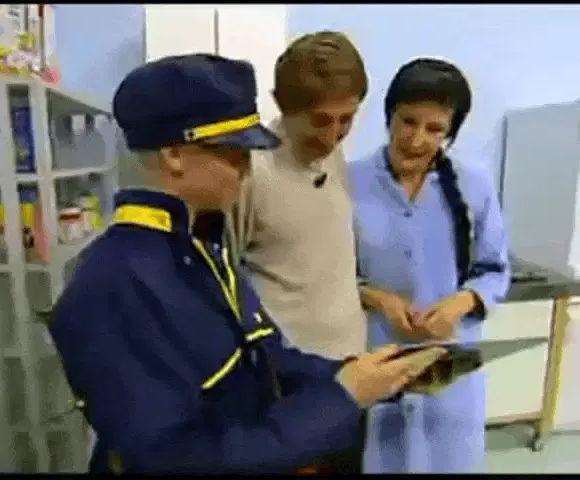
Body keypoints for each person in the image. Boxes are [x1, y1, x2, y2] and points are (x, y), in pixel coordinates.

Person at [47, 53, 428, 474]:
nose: (247, 171)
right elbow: (178, 459)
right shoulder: (115, 284)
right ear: (174, 155)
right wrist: (341, 399)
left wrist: (365, 374)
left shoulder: (199, 248)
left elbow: (266, 358)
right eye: (235, 154)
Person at [350, 57, 511, 473]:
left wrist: (459, 303)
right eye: (408, 121)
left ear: (450, 134)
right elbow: (331, 275)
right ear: (389, 115)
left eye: (435, 129)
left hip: (451, 371)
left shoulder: (474, 184)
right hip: (378, 361)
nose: (417, 139)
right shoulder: (349, 182)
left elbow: (495, 269)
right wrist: (379, 298)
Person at [228, 31, 369, 473]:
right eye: (320, 121)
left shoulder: (335, 158)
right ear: (281, 105)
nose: (333, 136)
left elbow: (321, 260)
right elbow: (222, 282)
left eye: (346, 120)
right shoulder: (251, 173)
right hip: (288, 382)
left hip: (351, 365)